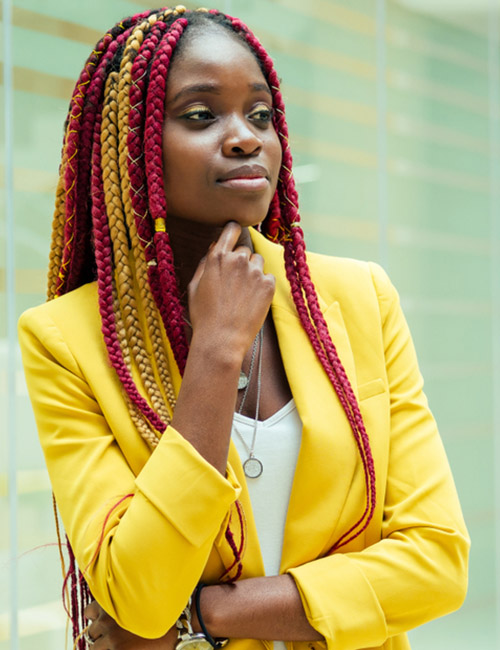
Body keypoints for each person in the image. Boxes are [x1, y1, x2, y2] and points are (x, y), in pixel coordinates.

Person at [18, 5, 469, 650]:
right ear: (126, 144)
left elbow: (438, 561)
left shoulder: (361, 297)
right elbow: (139, 593)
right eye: (201, 116)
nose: (245, 137)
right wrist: (216, 353)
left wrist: (205, 616)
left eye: (260, 115)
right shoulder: (67, 340)